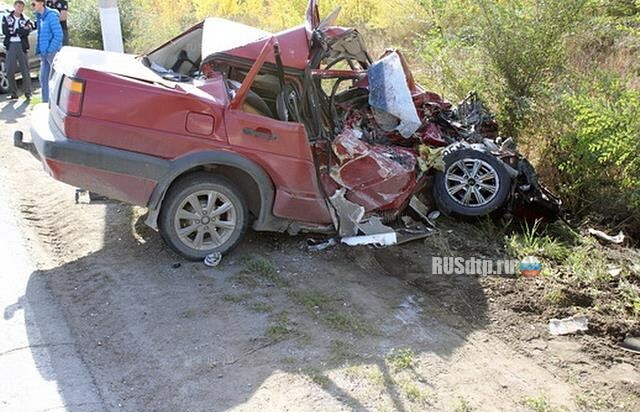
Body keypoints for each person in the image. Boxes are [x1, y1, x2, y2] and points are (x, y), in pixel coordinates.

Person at [31, 0, 63, 103]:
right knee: (43, 80)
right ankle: (46, 104)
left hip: (51, 53)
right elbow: (40, 35)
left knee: (54, 82)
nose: (32, 6)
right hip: (44, 54)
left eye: (34, 4)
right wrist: (39, 49)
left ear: (41, 3)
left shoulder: (51, 16)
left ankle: (54, 104)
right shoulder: (40, 17)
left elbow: (58, 35)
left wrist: (50, 49)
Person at [1, 0, 33, 99]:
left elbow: (27, 31)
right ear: (15, 6)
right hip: (11, 44)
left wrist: (17, 31)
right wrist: (18, 31)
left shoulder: (26, 19)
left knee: (25, 70)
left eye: (22, 7)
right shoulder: (6, 18)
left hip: (22, 45)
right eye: (18, 6)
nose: (20, 9)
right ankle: (13, 93)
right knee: (10, 69)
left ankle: (28, 93)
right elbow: (6, 31)